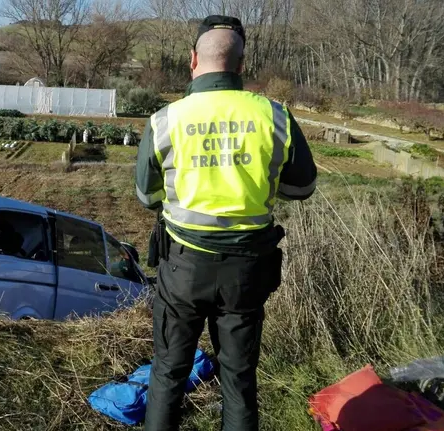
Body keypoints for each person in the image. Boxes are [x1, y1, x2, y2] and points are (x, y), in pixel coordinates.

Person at [135, 15, 318, 431]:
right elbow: (302, 187)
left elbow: (147, 196)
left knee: (168, 373)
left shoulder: (167, 119)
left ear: (192, 60)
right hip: (247, 272)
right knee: (238, 381)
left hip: (182, 268)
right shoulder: (274, 117)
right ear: (241, 64)